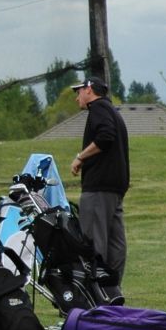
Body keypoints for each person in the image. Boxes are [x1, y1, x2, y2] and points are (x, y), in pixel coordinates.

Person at [69, 75, 130, 300]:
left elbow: (105, 137)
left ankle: (94, 295)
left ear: (89, 89)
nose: (77, 98)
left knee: (93, 243)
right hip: (116, 189)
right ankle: (113, 293)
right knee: (116, 245)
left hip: (99, 188)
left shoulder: (98, 109)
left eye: (78, 92)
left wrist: (80, 157)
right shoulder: (113, 111)